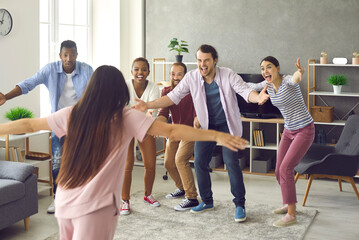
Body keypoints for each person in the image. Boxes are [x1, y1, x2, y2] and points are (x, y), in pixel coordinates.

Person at [0, 65, 249, 240]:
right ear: (120, 90)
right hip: (95, 208)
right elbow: (172, 132)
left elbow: (29, 124)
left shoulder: (73, 113)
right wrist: (216, 135)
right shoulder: (125, 117)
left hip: (65, 200)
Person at [133, 44, 269, 222]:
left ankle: (239, 205)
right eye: (199, 60)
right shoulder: (192, 77)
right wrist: (147, 105)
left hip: (228, 126)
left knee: (231, 163)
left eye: (206, 60)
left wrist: (257, 97)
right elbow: (173, 97)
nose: (202, 64)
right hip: (206, 127)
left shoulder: (228, 74)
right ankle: (207, 201)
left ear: (215, 60)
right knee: (199, 162)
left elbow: (244, 91)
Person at [0, 40, 93, 214]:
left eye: (72, 54)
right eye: (65, 55)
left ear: (77, 55)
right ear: (60, 56)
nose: (69, 58)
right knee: (57, 162)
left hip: (81, 123)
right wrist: (6, 96)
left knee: (81, 162)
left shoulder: (87, 70)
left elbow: (98, 92)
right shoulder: (50, 69)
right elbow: (29, 84)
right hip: (58, 121)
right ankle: (58, 199)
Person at [249, 56, 315, 227]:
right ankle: (288, 204)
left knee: (286, 168)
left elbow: (295, 79)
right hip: (288, 130)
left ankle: (292, 215)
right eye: (262, 68)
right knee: (278, 170)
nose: (265, 72)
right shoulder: (268, 86)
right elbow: (250, 86)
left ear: (277, 68)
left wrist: (300, 72)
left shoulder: (287, 81)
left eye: (269, 67)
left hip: (304, 130)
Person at [120, 57, 160, 215]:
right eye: (136, 69)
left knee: (150, 164)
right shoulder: (124, 86)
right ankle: (125, 200)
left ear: (148, 72)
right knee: (127, 165)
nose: (140, 72)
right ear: (131, 72)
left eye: (144, 69)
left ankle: (148, 195)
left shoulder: (153, 88)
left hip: (145, 126)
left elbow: (151, 113)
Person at [157, 62, 199, 211]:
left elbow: (196, 111)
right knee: (168, 163)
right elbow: (163, 112)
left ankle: (192, 197)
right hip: (174, 131)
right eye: (173, 74)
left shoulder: (192, 91)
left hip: (190, 130)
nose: (175, 77)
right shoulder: (166, 91)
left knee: (180, 160)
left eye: (179, 74)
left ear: (185, 76)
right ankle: (182, 188)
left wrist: (196, 119)